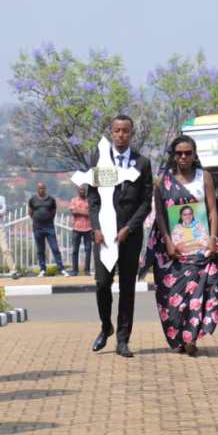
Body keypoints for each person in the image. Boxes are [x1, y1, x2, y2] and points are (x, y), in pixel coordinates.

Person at [150, 135, 218, 355]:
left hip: (200, 249)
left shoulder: (205, 177)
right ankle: (179, 337)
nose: (183, 157)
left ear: (194, 155)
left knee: (197, 296)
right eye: (179, 153)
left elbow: (212, 210)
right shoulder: (163, 180)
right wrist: (169, 242)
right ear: (173, 155)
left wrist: (212, 238)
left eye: (188, 153)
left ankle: (192, 338)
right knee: (172, 300)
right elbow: (161, 215)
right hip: (173, 252)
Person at [89, 115, 153, 358]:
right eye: (116, 131)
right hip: (104, 236)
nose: (120, 135)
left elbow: (146, 202)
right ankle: (106, 326)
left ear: (131, 134)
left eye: (125, 131)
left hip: (130, 235)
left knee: (127, 287)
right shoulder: (100, 161)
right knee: (103, 283)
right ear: (111, 133)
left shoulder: (142, 163)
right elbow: (93, 198)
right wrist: (96, 227)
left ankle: (123, 339)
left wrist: (129, 228)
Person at [28, 182, 69, 277]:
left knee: (55, 248)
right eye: (39, 188)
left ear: (45, 189)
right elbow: (30, 212)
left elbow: (53, 212)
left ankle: (61, 269)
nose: (41, 190)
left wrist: (48, 219)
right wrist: (37, 219)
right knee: (40, 249)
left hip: (49, 227)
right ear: (37, 189)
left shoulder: (51, 200)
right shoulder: (32, 200)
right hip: (37, 228)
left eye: (42, 188)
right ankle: (42, 269)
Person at [69, 184, 93, 275]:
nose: (82, 191)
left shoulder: (90, 200)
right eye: (81, 190)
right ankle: (75, 270)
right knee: (75, 250)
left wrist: (78, 210)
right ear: (78, 191)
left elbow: (91, 213)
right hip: (76, 228)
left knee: (88, 250)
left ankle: (87, 270)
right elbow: (73, 211)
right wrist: (85, 212)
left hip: (88, 228)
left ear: (86, 191)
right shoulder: (73, 200)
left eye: (84, 190)